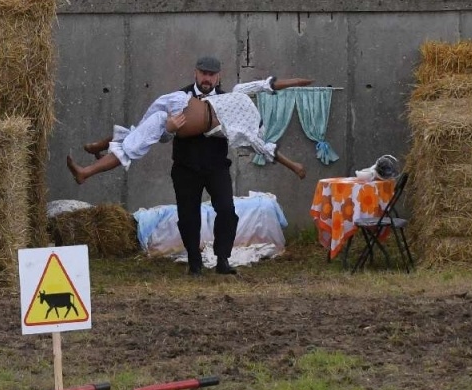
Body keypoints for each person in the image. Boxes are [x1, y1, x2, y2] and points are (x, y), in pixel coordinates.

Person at [68, 56, 315, 275]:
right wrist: (296, 82)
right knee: (185, 211)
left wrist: (294, 166)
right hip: (185, 164)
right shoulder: (234, 93)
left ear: (218, 76)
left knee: (227, 211)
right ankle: (195, 263)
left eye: (211, 74)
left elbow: (267, 149)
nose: (207, 78)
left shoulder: (247, 131)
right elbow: (268, 85)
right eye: (203, 73)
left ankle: (222, 260)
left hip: (216, 167)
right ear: (196, 73)